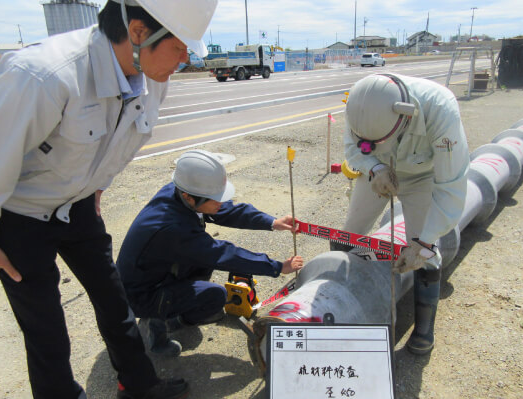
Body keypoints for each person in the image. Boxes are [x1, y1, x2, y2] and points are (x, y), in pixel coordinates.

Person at [0, 1, 218, 398]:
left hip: (79, 207)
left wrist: (97, 188)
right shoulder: (44, 76)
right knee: (46, 329)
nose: (185, 60)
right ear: (138, 32)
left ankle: (138, 385)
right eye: (179, 47)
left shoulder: (151, 77)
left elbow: (118, 142)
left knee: (114, 301)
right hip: (21, 217)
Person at [116, 149, 304, 356]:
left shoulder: (179, 192)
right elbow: (223, 254)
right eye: (215, 199)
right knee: (216, 296)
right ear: (189, 197)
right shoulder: (172, 228)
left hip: (153, 272)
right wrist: (277, 267)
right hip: (140, 294)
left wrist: (272, 222)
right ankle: (163, 325)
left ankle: (167, 309)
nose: (220, 203)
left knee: (202, 261)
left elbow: (226, 211)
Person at [335, 73, 469, 355]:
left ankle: (424, 329)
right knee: (347, 234)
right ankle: (338, 296)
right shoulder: (361, 102)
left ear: (405, 117)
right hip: (378, 170)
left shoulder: (440, 111)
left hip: (422, 177)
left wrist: (423, 243)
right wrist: (374, 166)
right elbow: (353, 149)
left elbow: (451, 187)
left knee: (425, 252)